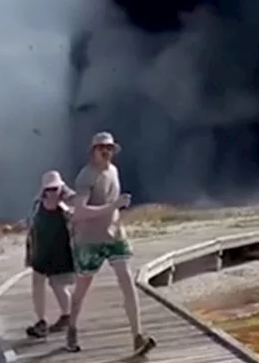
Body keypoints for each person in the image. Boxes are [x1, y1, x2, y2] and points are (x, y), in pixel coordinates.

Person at [64, 132, 156, 355]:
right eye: (101, 148)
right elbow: (80, 212)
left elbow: (109, 204)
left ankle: (137, 335)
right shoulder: (86, 176)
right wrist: (114, 206)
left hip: (114, 235)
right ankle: (72, 327)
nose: (106, 151)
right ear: (93, 151)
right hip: (90, 240)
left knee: (127, 282)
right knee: (82, 289)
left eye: (109, 147)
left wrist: (115, 209)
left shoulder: (113, 171)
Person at [21, 170, 76, 339]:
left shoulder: (66, 209)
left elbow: (78, 223)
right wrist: (15, 227)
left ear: (61, 188)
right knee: (37, 284)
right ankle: (41, 322)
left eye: (55, 188)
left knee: (57, 285)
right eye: (49, 189)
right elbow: (29, 221)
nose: (52, 192)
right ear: (44, 190)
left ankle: (67, 316)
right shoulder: (38, 206)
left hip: (61, 254)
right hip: (41, 252)